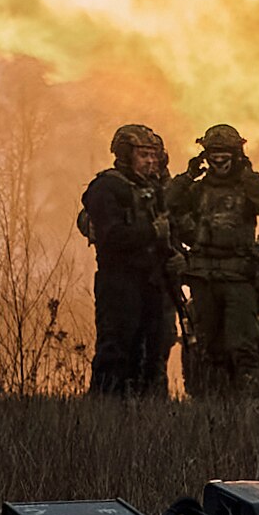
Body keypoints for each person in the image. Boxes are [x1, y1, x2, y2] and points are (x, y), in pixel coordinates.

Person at [167, 124, 259, 396]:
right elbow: (165, 204)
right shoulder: (195, 191)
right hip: (203, 277)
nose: (219, 161)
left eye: (225, 155)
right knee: (209, 347)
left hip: (239, 278)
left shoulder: (246, 187)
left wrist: (249, 176)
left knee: (243, 346)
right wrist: (186, 177)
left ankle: (251, 407)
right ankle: (214, 406)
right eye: (213, 154)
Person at [82, 124, 179, 396]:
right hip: (119, 282)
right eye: (143, 155)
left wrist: (176, 257)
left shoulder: (156, 190)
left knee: (153, 351)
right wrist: (151, 232)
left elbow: (175, 229)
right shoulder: (108, 188)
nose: (151, 162)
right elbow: (111, 236)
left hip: (152, 281)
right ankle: (107, 412)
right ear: (126, 156)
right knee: (116, 351)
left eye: (154, 156)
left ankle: (147, 412)